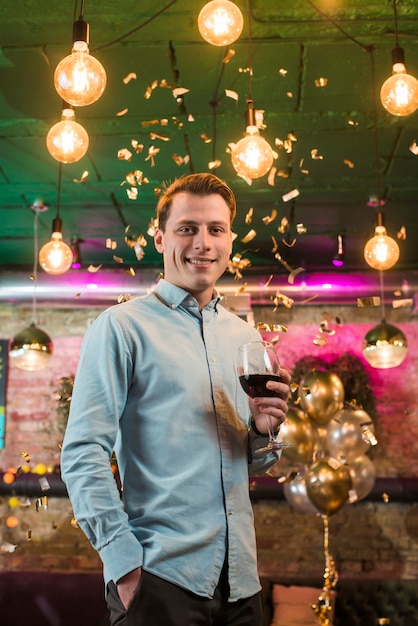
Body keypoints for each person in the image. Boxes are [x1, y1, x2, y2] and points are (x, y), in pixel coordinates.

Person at [61, 172, 290, 626]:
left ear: (230, 240)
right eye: (187, 228)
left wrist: (264, 432)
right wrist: (123, 564)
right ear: (160, 236)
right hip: (159, 579)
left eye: (216, 230)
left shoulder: (245, 336)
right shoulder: (120, 327)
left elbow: (253, 463)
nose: (202, 243)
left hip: (242, 582)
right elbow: (83, 452)